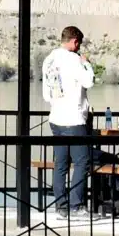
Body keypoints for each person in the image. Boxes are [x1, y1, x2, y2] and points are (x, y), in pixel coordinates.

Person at [41, 25, 97, 213]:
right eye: (78, 43)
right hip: (74, 119)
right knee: (82, 162)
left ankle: (61, 206)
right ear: (74, 42)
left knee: (61, 164)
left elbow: (46, 96)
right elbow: (89, 81)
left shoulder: (49, 60)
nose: (79, 47)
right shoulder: (74, 60)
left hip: (56, 118)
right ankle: (77, 205)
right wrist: (86, 63)